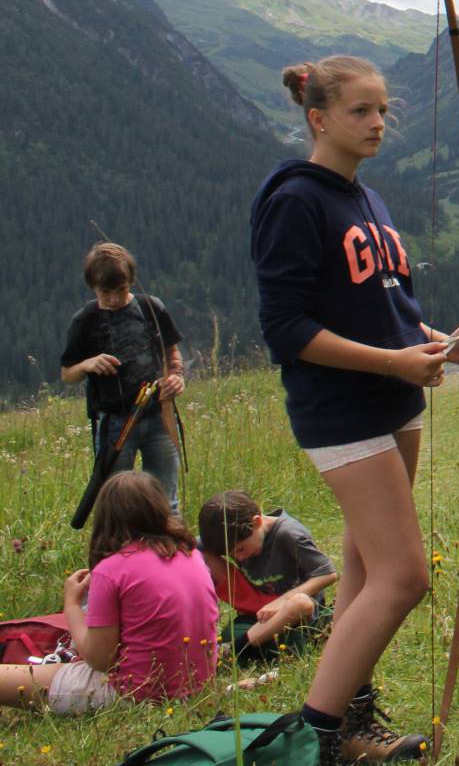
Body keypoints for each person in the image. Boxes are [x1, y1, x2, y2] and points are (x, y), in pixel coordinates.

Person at [251, 56, 459, 764]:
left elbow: (388, 311)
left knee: (362, 565)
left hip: (394, 401)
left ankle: (351, 714)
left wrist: (440, 345)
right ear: (318, 118)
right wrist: (394, 362)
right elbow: (287, 329)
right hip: (341, 409)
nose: (378, 122)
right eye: (360, 111)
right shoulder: (296, 200)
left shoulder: (369, 200)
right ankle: (319, 737)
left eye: (383, 109)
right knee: (404, 575)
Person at [0, 470, 218, 713]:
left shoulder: (111, 569)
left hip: (136, 693)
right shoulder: (191, 554)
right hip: (196, 685)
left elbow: (100, 660)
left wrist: (71, 604)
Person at [59, 242, 188, 512]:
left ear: (131, 281)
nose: (114, 299)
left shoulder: (150, 307)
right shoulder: (85, 320)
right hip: (115, 424)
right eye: (105, 292)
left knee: (168, 503)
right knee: (118, 506)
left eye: (121, 289)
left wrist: (176, 376)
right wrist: (88, 364)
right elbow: (67, 374)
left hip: (160, 416)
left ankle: (168, 540)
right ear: (93, 287)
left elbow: (172, 353)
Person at [199, 489, 339, 666]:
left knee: (300, 603)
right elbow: (192, 544)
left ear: (256, 522)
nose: (239, 558)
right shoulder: (235, 537)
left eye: (240, 549)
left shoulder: (289, 534)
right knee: (229, 633)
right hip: (259, 614)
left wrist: (282, 601)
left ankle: (236, 649)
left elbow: (328, 573)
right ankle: (251, 644)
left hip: (295, 618)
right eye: (232, 554)